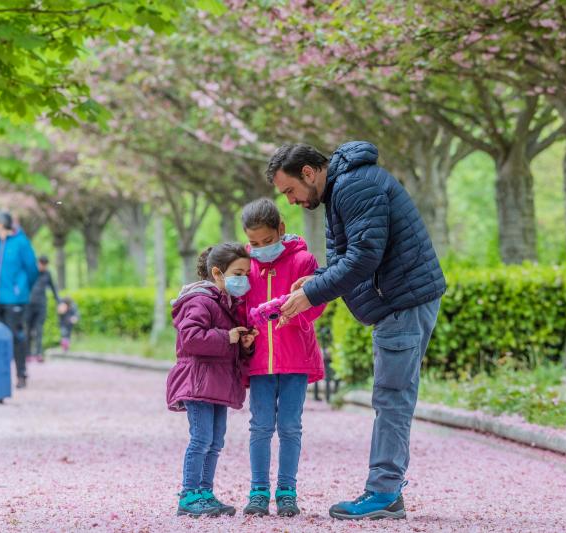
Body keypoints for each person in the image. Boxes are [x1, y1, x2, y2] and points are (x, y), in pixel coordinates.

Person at [269, 142, 446, 521]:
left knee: (392, 397)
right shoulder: (344, 188)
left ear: (309, 173)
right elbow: (348, 256)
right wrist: (313, 281)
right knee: (391, 396)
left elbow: (365, 256)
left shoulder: (354, 186)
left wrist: (313, 293)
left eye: (290, 191)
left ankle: (383, 493)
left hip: (403, 301)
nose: (291, 201)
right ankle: (386, 490)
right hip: (400, 300)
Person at [239, 198, 326, 518]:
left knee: (290, 426)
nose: (261, 248)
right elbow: (240, 309)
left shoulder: (304, 261)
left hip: (296, 359)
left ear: (281, 230)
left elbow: (317, 304)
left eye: (268, 240)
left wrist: (297, 314)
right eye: (254, 243)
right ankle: (259, 489)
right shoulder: (245, 266)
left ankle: (287, 490)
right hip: (260, 362)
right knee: (260, 426)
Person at [165, 243, 257, 518]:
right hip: (198, 382)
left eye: (245, 274)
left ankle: (205, 492)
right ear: (217, 273)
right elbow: (190, 338)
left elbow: (224, 344)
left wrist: (243, 344)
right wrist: (225, 337)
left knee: (215, 441)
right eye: (238, 273)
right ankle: (189, 494)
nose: (243, 280)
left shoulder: (226, 303)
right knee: (201, 439)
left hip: (216, 383)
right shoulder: (199, 300)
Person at [0, 209, 39, 389]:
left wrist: (21, 288)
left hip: (15, 299)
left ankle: (21, 373)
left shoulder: (21, 243)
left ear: (1, 223)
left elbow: (32, 269)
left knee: (16, 336)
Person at [27, 255, 60, 362]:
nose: (43, 267)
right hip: (29, 305)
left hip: (41, 305)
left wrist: (59, 302)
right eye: (41, 264)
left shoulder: (48, 274)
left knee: (39, 329)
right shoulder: (31, 273)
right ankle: (28, 353)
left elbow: (53, 288)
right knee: (28, 329)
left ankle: (39, 353)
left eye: (45, 265)